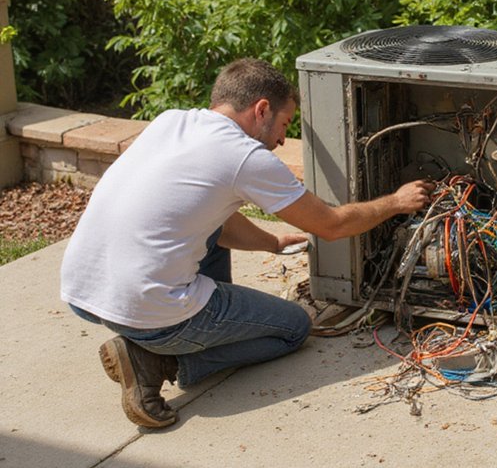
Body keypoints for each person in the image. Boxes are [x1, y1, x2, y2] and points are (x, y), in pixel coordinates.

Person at [60, 58, 432, 428]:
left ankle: (175, 334)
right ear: (262, 109)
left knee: (208, 233)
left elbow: (210, 218)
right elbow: (332, 225)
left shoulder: (171, 121)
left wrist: (272, 242)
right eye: (284, 124)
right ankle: (158, 360)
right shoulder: (245, 156)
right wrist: (397, 202)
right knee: (294, 329)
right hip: (148, 309)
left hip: (83, 291)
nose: (282, 139)